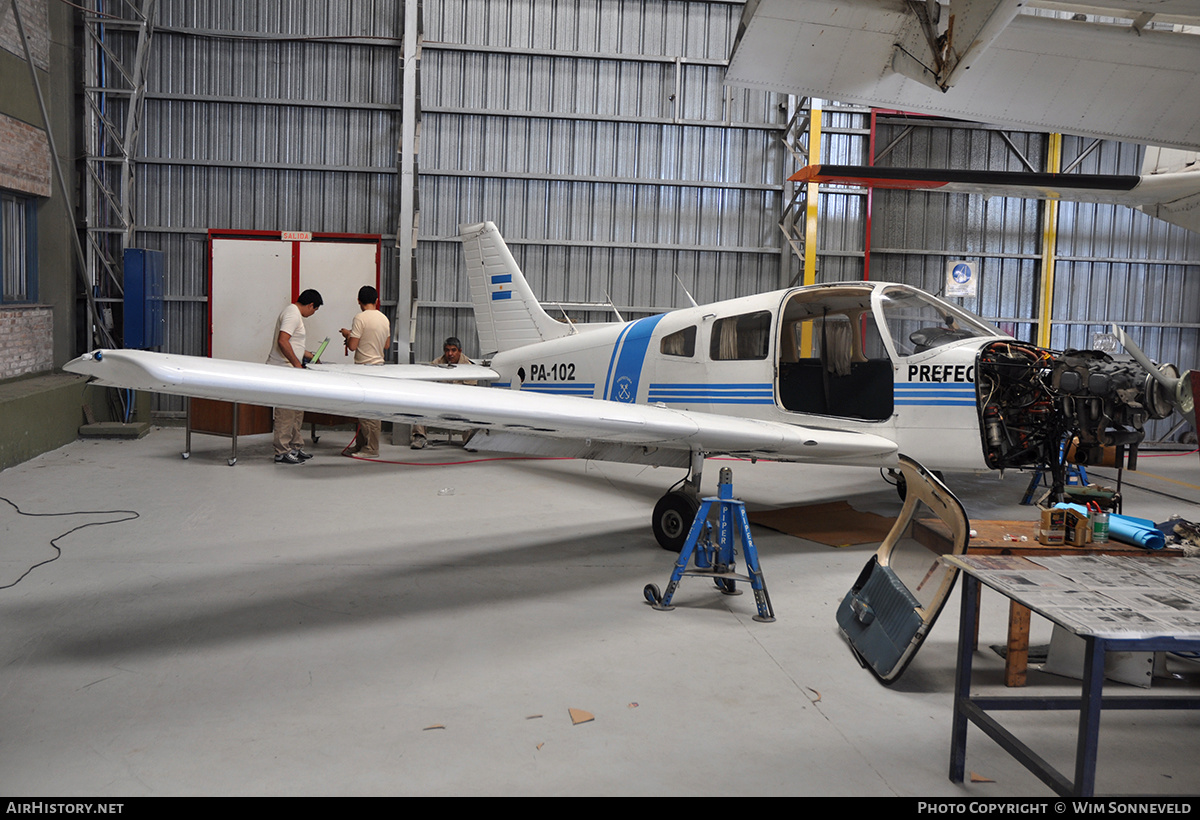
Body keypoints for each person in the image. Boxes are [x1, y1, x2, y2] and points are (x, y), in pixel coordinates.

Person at [266, 288, 323, 464]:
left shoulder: (295, 315)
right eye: (314, 310)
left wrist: (310, 355)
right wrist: (297, 366)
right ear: (310, 305)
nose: (313, 313)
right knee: (286, 413)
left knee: (297, 411)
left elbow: (293, 343)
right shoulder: (292, 313)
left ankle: (295, 447)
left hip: (292, 370)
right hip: (284, 370)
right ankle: (282, 451)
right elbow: (283, 341)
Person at [339, 285, 391, 458]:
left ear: (359, 301)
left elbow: (353, 346)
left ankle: (371, 449)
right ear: (377, 300)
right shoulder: (384, 319)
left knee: (368, 411)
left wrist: (348, 334)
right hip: (379, 367)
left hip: (364, 368)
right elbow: (386, 345)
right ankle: (361, 445)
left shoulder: (360, 318)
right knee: (365, 409)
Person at [411, 336, 476, 449]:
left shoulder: (469, 366)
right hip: (440, 399)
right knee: (420, 403)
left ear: (460, 351)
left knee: (472, 407)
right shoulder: (437, 362)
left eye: (453, 350)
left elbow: (471, 392)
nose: (450, 353)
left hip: (461, 400)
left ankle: (469, 440)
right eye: (447, 350)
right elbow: (425, 382)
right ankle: (419, 436)